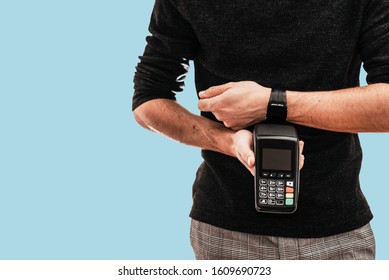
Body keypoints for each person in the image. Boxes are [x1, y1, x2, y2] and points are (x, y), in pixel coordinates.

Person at [132, 0, 389, 260]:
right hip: (224, 233)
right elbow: (148, 100)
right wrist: (228, 142)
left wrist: (273, 103)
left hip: (337, 233)